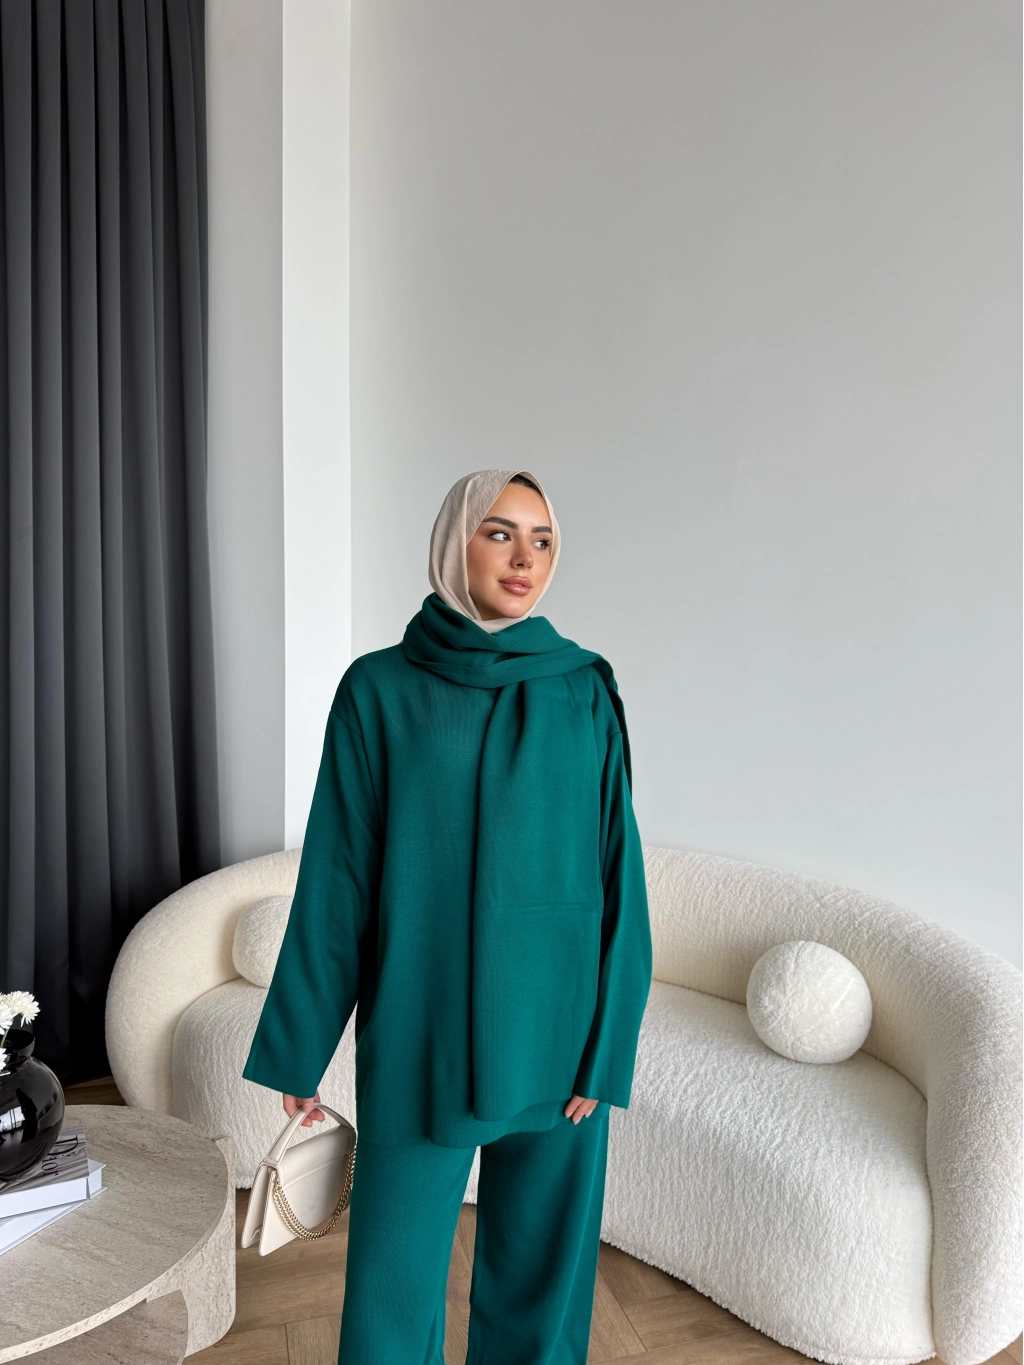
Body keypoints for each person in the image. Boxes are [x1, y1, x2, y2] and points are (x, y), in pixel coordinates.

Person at [242, 468, 653, 1365]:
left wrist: (608, 1049)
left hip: (560, 1037)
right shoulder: (378, 690)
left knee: (544, 1286)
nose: (524, 557)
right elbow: (339, 877)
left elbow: (619, 874)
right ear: (452, 541)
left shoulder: (585, 688)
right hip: (421, 1031)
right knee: (392, 1286)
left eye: (542, 539)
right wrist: (301, 1044)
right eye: (499, 532)